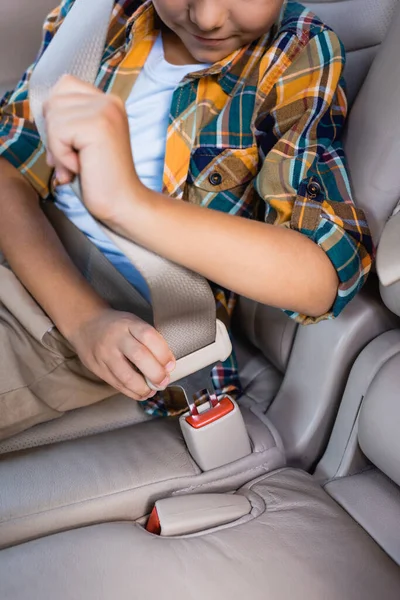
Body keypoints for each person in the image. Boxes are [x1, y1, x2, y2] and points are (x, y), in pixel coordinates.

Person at [0, 0, 373, 440]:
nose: (207, 17)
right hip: (38, 261)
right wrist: (80, 316)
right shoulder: (100, 14)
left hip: (103, 323)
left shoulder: (295, 54)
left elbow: (322, 277)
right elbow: (10, 166)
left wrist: (129, 204)